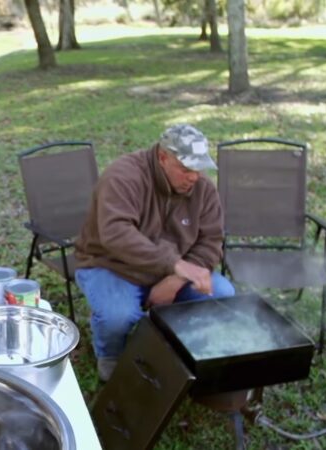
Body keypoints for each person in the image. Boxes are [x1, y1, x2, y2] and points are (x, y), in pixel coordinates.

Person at [74, 124, 236, 382]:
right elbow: (116, 234)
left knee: (223, 294)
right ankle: (111, 357)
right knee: (118, 317)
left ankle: (184, 348)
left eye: (198, 168)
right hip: (111, 265)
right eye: (185, 168)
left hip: (173, 271)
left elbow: (211, 239)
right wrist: (175, 264)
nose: (194, 177)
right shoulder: (123, 177)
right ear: (163, 158)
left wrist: (175, 280)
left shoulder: (203, 188)